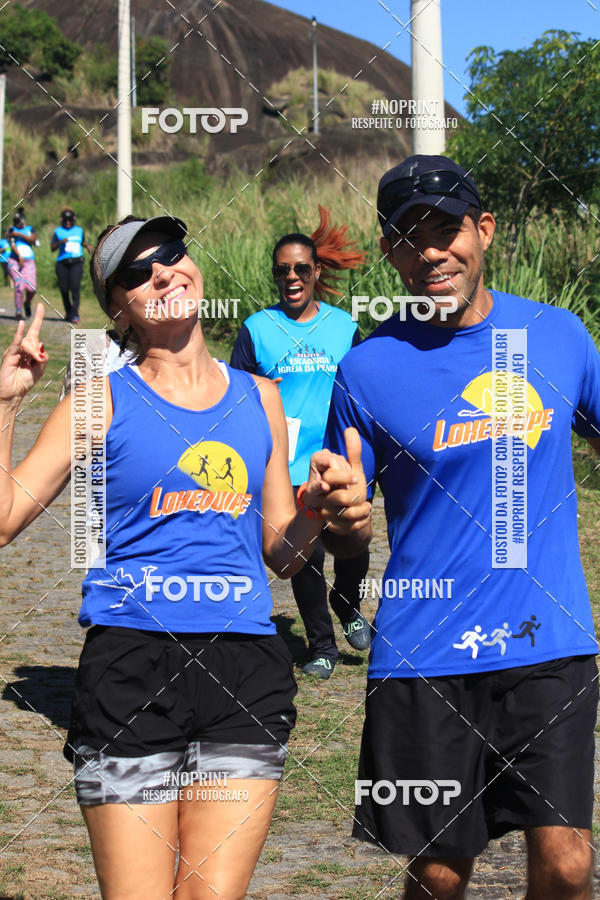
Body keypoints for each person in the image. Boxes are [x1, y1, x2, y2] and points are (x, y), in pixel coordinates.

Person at [0, 214, 361, 898]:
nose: (163, 272)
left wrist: (314, 508)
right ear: (119, 308)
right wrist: (7, 404)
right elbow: (5, 518)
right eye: (137, 272)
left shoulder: (262, 397)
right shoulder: (98, 401)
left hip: (245, 666)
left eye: (170, 255)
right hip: (133, 664)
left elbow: (281, 554)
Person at [321, 155, 600, 899]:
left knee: (570, 863)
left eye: (447, 229)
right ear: (389, 253)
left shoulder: (560, 336)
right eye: (408, 237)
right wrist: (345, 521)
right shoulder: (368, 369)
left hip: (549, 641)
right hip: (426, 654)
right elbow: (346, 533)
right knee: (442, 872)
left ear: (485, 231)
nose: (431, 250)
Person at [231, 206, 370, 679]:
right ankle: (322, 645)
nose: (291, 276)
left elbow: (365, 392)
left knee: (354, 544)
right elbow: (242, 399)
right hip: (286, 465)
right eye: (282, 270)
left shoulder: (345, 327)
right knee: (304, 555)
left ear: (315, 272)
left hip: (335, 460)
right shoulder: (256, 329)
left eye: (301, 268)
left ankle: (348, 601)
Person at [51, 207, 93, 324]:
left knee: (75, 287)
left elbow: (81, 241)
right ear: (62, 221)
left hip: (76, 262)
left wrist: (88, 246)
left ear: (73, 220)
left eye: (70, 220)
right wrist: (60, 242)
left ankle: (75, 314)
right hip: (62, 263)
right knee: (64, 289)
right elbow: (52, 248)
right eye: (65, 220)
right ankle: (69, 311)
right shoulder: (58, 231)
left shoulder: (79, 230)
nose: (68, 222)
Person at [6, 208, 37, 319]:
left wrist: (19, 234)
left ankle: (27, 303)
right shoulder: (11, 229)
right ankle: (18, 312)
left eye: (19, 221)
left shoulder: (29, 229)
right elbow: (12, 244)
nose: (17, 224)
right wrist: (19, 255)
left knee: (31, 289)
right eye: (15, 222)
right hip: (14, 261)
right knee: (19, 286)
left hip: (29, 262)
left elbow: (33, 240)